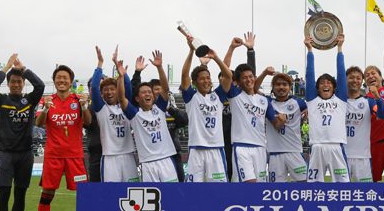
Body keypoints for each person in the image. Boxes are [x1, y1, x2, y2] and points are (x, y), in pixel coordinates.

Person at [0, 54, 45, 211]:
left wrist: (24, 69)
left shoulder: (29, 101)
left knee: (20, 194)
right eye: (13, 81)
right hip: (6, 154)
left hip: (25, 155)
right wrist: (6, 68)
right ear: (8, 83)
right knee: (4, 193)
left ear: (23, 83)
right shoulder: (1, 100)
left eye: (19, 82)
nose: (16, 84)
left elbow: (40, 86)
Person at [35, 64, 91, 211]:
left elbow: (88, 122)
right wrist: (45, 109)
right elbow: (38, 123)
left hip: (75, 156)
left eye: (65, 78)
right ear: (54, 81)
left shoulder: (78, 99)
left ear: (70, 81)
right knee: (47, 193)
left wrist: (84, 106)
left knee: (84, 194)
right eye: (58, 77)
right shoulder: (46, 100)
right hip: (53, 155)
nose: (62, 80)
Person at [117, 52, 179, 183]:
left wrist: (159, 67)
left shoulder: (160, 108)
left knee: (172, 193)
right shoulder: (134, 114)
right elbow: (122, 99)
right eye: (144, 92)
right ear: (137, 98)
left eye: (149, 92)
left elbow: (165, 88)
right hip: (147, 163)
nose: (147, 94)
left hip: (166, 160)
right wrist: (121, 78)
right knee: (152, 194)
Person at [219, 47, 277, 183]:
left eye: (251, 77)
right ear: (238, 82)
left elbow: (276, 123)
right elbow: (225, 73)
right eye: (244, 78)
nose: (249, 80)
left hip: (261, 147)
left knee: (259, 186)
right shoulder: (235, 95)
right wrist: (231, 48)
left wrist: (283, 118)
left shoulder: (264, 100)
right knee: (249, 185)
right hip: (242, 147)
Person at [179, 35, 229, 182]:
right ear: (195, 82)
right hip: (196, 149)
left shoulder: (217, 97)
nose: (206, 81)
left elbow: (228, 76)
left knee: (219, 190)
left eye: (208, 78)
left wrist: (216, 58)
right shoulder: (191, 97)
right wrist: (191, 51)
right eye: (202, 78)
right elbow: (184, 75)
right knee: (194, 189)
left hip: (216, 148)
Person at [304, 33, 350, 183]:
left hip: (336, 145)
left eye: (329, 82)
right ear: (317, 88)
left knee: (343, 185)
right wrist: (310, 50)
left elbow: (341, 74)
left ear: (334, 88)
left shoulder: (340, 99)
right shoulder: (312, 100)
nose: (325, 84)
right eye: (322, 83)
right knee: (314, 186)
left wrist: (340, 48)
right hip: (317, 146)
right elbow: (309, 75)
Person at [90, 46, 138, 182]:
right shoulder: (101, 108)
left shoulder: (125, 106)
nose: (109, 92)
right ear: (102, 93)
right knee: (111, 192)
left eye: (112, 89)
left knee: (131, 190)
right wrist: (100, 64)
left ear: (118, 90)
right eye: (105, 90)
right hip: (110, 157)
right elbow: (94, 87)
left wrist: (120, 69)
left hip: (128, 155)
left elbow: (127, 87)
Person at [345, 66, 384, 182]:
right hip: (341, 155)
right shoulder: (339, 101)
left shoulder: (368, 101)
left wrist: (377, 97)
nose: (355, 80)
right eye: (351, 77)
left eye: (358, 78)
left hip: (362, 156)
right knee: (339, 191)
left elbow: (382, 115)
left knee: (365, 191)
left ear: (362, 81)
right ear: (345, 79)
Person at [266, 72, 308, 182]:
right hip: (275, 153)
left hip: (294, 151)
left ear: (290, 87)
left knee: (304, 185)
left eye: (284, 84)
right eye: (278, 84)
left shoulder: (299, 102)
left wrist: (308, 111)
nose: (281, 87)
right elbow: (255, 91)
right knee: (276, 190)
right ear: (272, 87)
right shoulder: (267, 102)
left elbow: (312, 107)